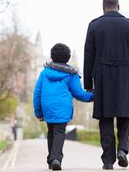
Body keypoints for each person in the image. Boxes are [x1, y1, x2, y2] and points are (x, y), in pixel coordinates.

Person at [83, 0, 129, 170]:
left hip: (103, 77)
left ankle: (108, 160)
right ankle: (123, 151)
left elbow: (88, 56)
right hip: (126, 76)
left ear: (103, 7)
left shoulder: (94, 25)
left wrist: (88, 84)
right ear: (118, 6)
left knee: (105, 118)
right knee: (124, 115)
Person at [34, 43, 94, 171]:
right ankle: (56, 158)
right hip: (63, 108)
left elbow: (37, 93)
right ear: (68, 58)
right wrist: (93, 95)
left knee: (51, 131)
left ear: (52, 57)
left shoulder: (45, 72)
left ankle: (51, 159)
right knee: (59, 132)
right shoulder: (71, 74)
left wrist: (38, 111)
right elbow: (79, 93)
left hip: (47, 108)